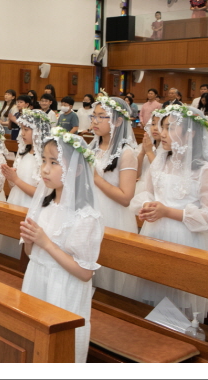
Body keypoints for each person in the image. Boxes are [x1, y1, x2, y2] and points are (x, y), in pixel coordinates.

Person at [127, 105, 208, 323]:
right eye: (163, 127)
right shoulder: (160, 162)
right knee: (149, 295)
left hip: (185, 239)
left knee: (178, 302)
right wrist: (147, 206)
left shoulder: (204, 170)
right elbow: (146, 193)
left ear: (190, 133)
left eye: (170, 128)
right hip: (154, 233)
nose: (162, 133)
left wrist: (168, 211)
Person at [20, 127, 102, 363]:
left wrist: (45, 243)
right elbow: (30, 253)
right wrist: (29, 240)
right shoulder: (43, 205)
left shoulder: (86, 216)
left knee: (57, 353)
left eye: (54, 162)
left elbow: (85, 273)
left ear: (76, 169)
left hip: (63, 291)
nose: (45, 169)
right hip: (36, 280)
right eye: (44, 161)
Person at [87, 92, 138, 294]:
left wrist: (96, 178)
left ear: (117, 121)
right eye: (93, 116)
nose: (95, 121)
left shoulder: (127, 153)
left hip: (113, 217)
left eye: (101, 116)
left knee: (108, 274)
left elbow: (126, 197)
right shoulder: (91, 147)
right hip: (89, 211)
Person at [1, 109, 51, 259]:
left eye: (26, 129)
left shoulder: (44, 158)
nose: (22, 133)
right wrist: (10, 177)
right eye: (21, 129)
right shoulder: (23, 152)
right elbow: (13, 186)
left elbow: (41, 193)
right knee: (10, 242)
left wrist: (16, 179)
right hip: (15, 201)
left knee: (25, 250)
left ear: (38, 130)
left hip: (31, 206)